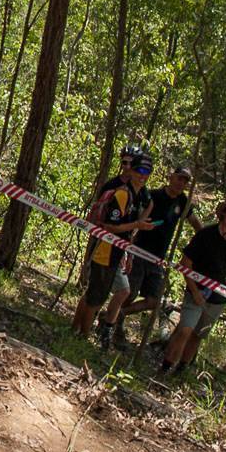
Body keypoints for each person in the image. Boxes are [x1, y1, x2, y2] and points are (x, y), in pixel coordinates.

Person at [99, 164, 199, 346]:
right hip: (139, 251)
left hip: (158, 259)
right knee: (129, 293)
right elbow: (135, 218)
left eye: (185, 181)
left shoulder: (183, 202)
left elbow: (196, 224)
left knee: (153, 300)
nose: (180, 183)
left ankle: (113, 315)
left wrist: (202, 244)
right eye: (179, 178)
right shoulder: (152, 195)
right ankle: (112, 327)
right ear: (171, 176)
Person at [158, 199, 226, 378]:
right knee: (185, 329)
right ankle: (164, 367)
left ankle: (181, 370)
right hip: (196, 291)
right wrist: (194, 291)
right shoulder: (205, 234)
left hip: (218, 298)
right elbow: (185, 263)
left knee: (198, 335)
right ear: (224, 213)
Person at [75, 148, 154, 345]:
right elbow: (109, 226)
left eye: (146, 173)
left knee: (111, 292)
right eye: (139, 172)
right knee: (96, 297)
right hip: (105, 250)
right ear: (131, 171)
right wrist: (137, 225)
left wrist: (129, 249)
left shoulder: (139, 196)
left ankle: (79, 331)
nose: (142, 177)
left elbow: (131, 228)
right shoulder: (121, 193)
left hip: (119, 251)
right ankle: (81, 337)